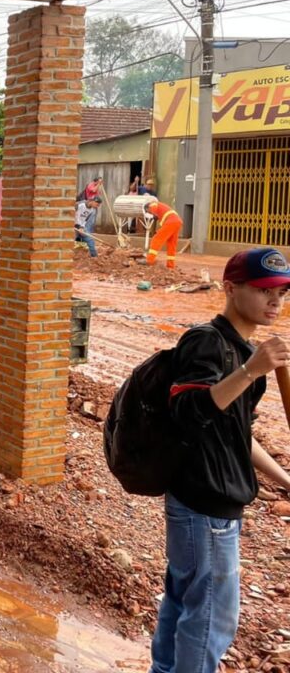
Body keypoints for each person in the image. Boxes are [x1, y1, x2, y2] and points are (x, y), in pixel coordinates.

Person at [149, 247, 290, 673]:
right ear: (230, 288)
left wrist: (285, 480)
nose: (276, 302)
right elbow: (189, 412)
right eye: (264, 290)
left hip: (206, 505)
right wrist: (251, 370)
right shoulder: (206, 342)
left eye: (282, 293)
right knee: (211, 617)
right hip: (204, 505)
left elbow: (236, 434)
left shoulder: (239, 348)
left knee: (184, 601)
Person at [145, 200, 183, 269]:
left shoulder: (153, 204)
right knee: (171, 244)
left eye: (148, 211)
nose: (149, 213)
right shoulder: (162, 210)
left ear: (148, 207)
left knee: (156, 239)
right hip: (177, 222)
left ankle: (149, 260)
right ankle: (170, 265)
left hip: (171, 221)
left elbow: (153, 206)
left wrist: (153, 214)